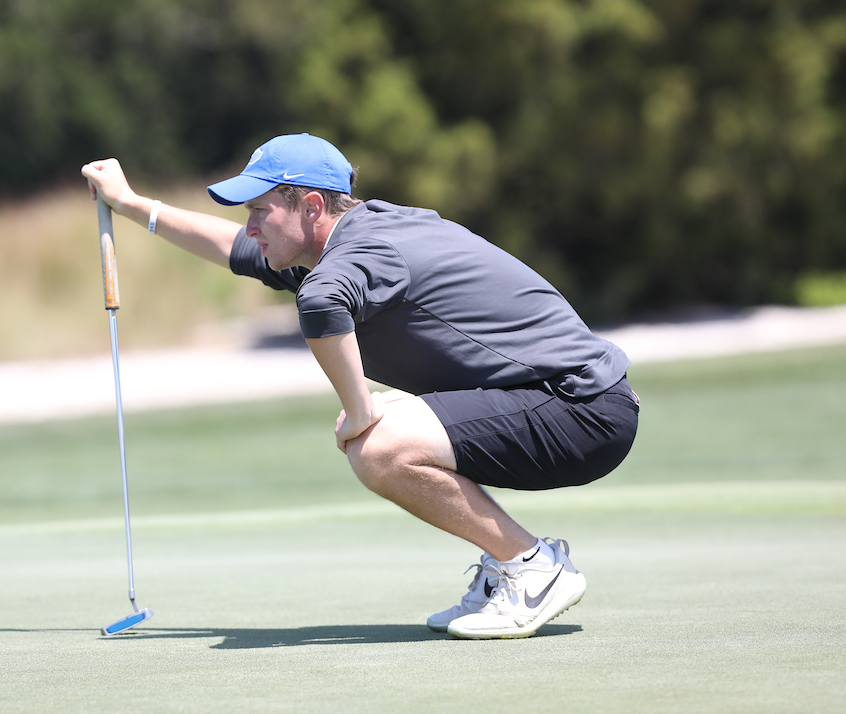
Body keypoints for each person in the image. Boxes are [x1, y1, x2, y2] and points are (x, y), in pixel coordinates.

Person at [82, 133, 639, 639]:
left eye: (260, 211)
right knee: (382, 433)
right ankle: (511, 566)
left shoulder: (361, 251)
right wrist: (133, 205)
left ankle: (531, 568)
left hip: (579, 407)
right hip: (558, 400)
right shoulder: (344, 239)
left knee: (377, 447)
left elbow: (323, 303)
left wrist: (359, 410)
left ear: (313, 206)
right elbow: (234, 248)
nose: (252, 226)